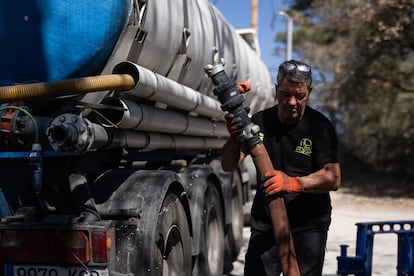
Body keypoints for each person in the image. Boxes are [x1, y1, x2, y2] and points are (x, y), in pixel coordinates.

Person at [221, 59, 341, 276]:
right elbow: (229, 164)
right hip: (266, 225)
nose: (292, 101)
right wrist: (234, 139)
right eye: (286, 94)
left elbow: (333, 178)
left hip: (308, 224)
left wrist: (293, 183)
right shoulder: (259, 121)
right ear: (277, 90)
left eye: (300, 96)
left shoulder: (320, 126)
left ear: (309, 92)